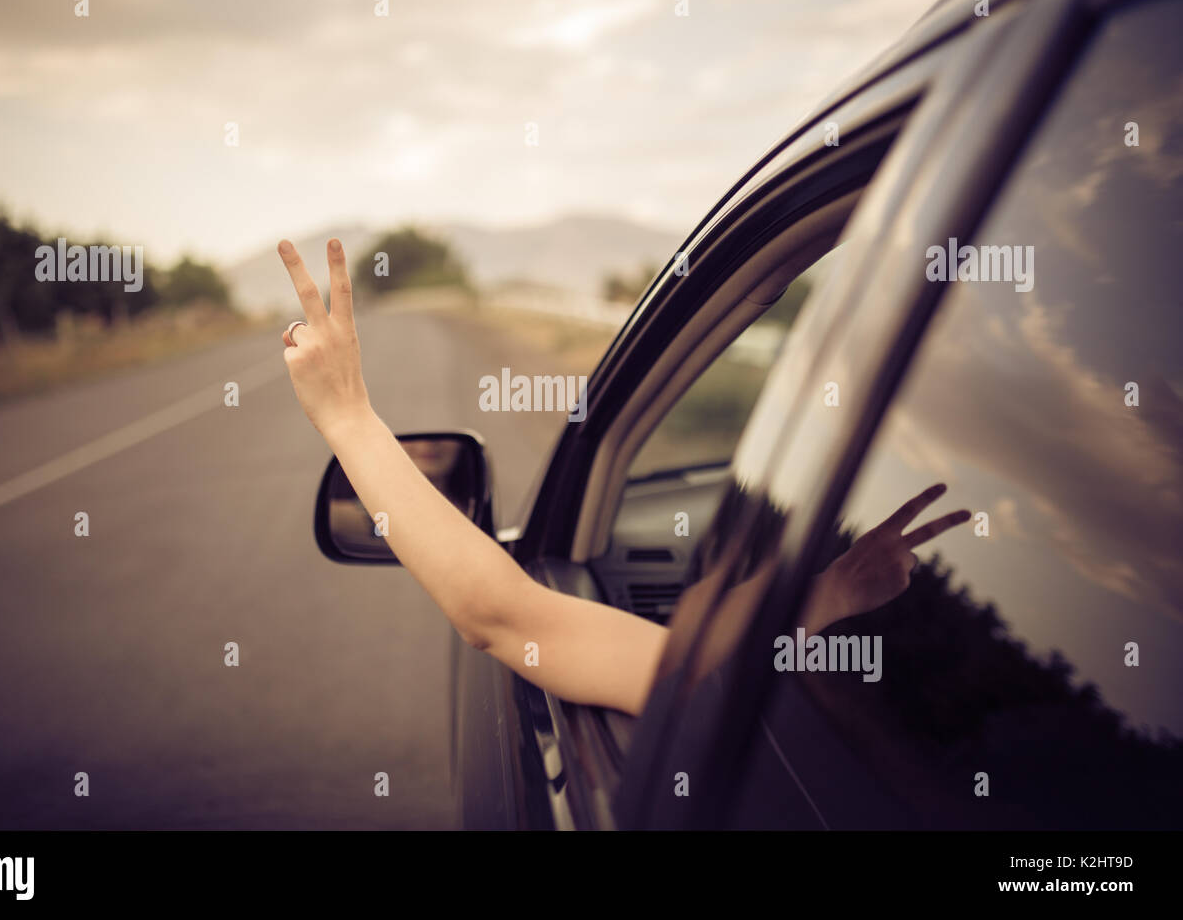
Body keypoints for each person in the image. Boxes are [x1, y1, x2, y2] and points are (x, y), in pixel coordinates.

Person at [277, 238, 970, 717]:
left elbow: (499, 616)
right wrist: (839, 587)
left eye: (706, 601)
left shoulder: (712, 686)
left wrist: (350, 420)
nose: (693, 607)